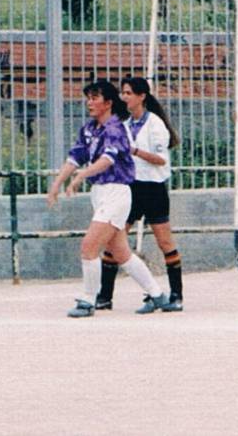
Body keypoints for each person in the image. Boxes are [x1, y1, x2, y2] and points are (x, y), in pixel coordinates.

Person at [47, 79, 174, 318]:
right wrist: (56, 184)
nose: (89, 103)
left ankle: (88, 300)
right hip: (100, 193)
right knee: (121, 253)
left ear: (108, 102)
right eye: (88, 98)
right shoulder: (89, 129)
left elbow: (108, 159)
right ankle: (158, 295)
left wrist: (82, 175)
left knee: (89, 246)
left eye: (95, 98)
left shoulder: (116, 129)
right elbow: (75, 157)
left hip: (117, 192)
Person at [94, 76, 184, 314]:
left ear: (141, 96)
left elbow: (160, 159)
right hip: (130, 187)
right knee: (114, 239)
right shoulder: (123, 123)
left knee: (165, 242)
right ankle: (105, 296)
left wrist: (133, 150)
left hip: (153, 187)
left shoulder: (155, 124)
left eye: (128, 93)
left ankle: (176, 295)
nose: (124, 98)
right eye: (122, 93)